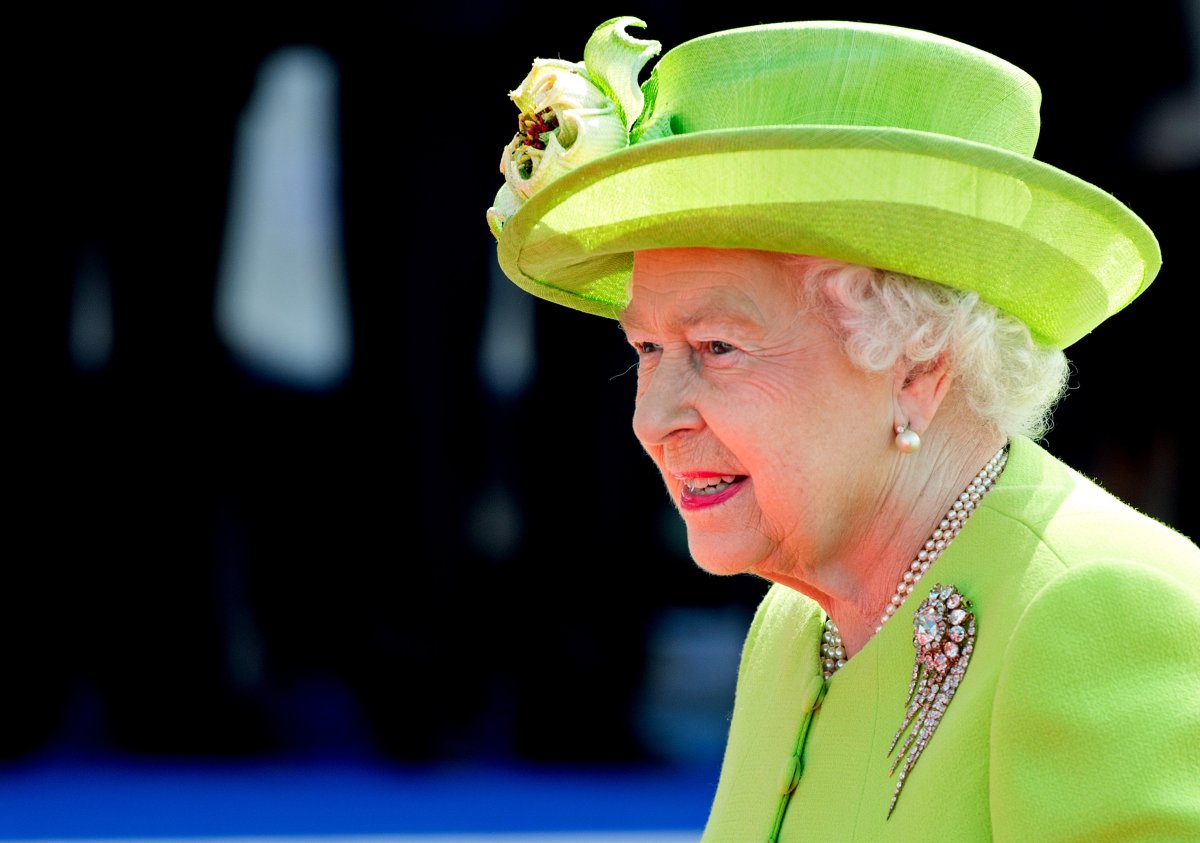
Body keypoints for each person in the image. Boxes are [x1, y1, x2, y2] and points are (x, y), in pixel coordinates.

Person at [485, 16, 1200, 841]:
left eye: (718, 347)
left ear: (918, 363)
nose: (653, 419)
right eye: (647, 347)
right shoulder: (796, 621)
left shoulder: (1101, 610)